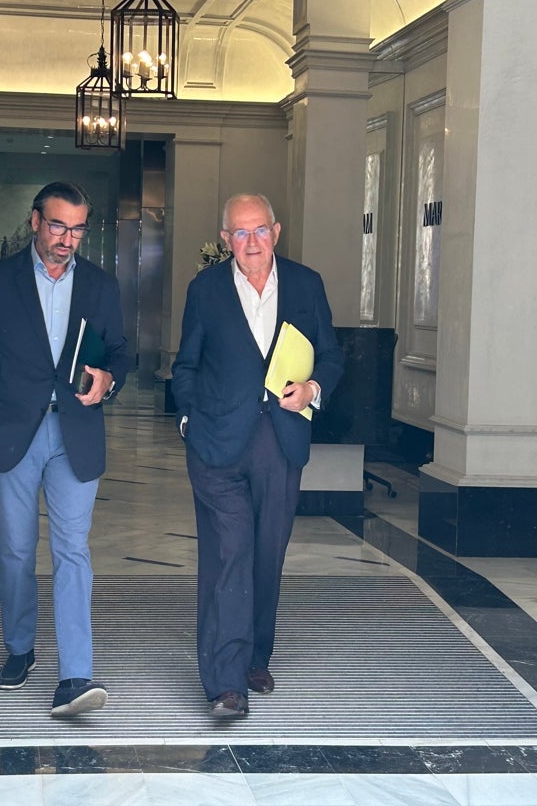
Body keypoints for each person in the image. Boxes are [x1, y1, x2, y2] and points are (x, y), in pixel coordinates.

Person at [0, 181, 131, 717]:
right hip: (11, 436)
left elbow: (121, 353)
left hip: (76, 433)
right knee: (17, 551)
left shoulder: (100, 285)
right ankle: (19, 648)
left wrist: (108, 380)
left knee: (73, 551)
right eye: (57, 226)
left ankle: (76, 674)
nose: (66, 239)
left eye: (76, 229)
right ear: (35, 222)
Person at [172, 193, 344, 718]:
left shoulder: (306, 284)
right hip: (218, 445)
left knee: (267, 554)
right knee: (230, 555)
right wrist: (190, 422)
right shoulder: (204, 290)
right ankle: (225, 683)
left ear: (277, 230)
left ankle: (254, 656)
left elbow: (332, 355)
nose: (251, 243)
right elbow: (185, 367)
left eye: (259, 231)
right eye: (239, 234)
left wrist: (312, 389)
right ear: (225, 240)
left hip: (281, 441)